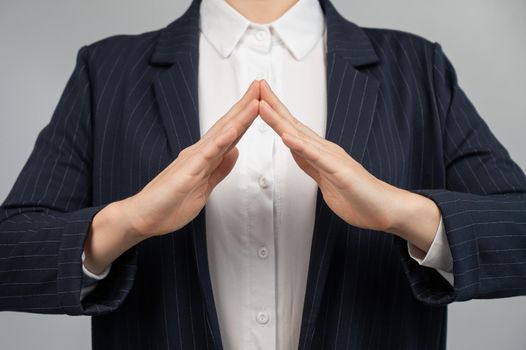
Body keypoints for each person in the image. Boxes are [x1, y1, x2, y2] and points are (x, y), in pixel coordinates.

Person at [1, 0, 525, 349]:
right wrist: (127, 222)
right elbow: (10, 255)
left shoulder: (418, 68)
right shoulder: (107, 71)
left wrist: (405, 213)